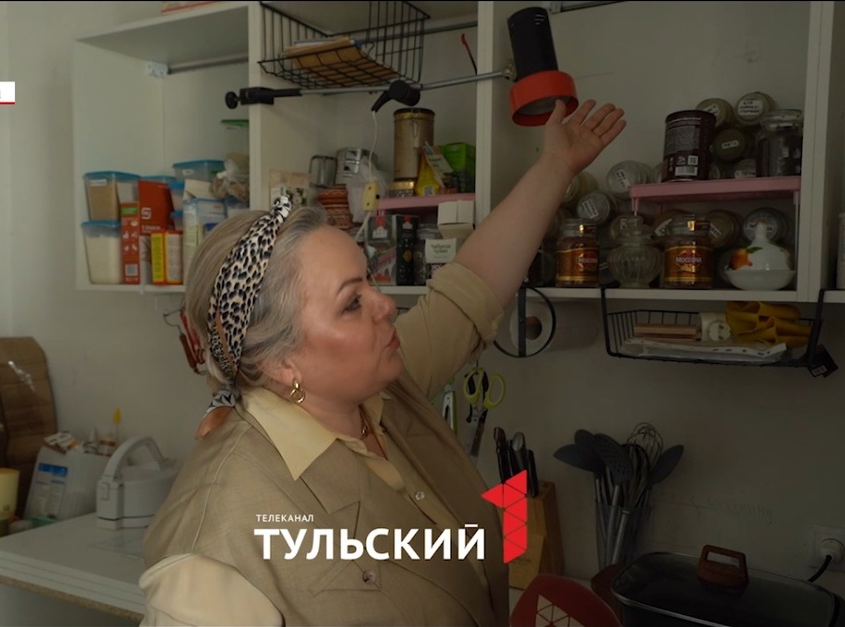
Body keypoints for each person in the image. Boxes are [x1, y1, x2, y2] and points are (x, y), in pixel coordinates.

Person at [140, 99, 626, 627]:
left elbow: (473, 288)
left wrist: (556, 164)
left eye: (369, 280)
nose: (386, 305)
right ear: (281, 361)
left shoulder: (377, 392)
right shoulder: (215, 546)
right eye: (352, 302)